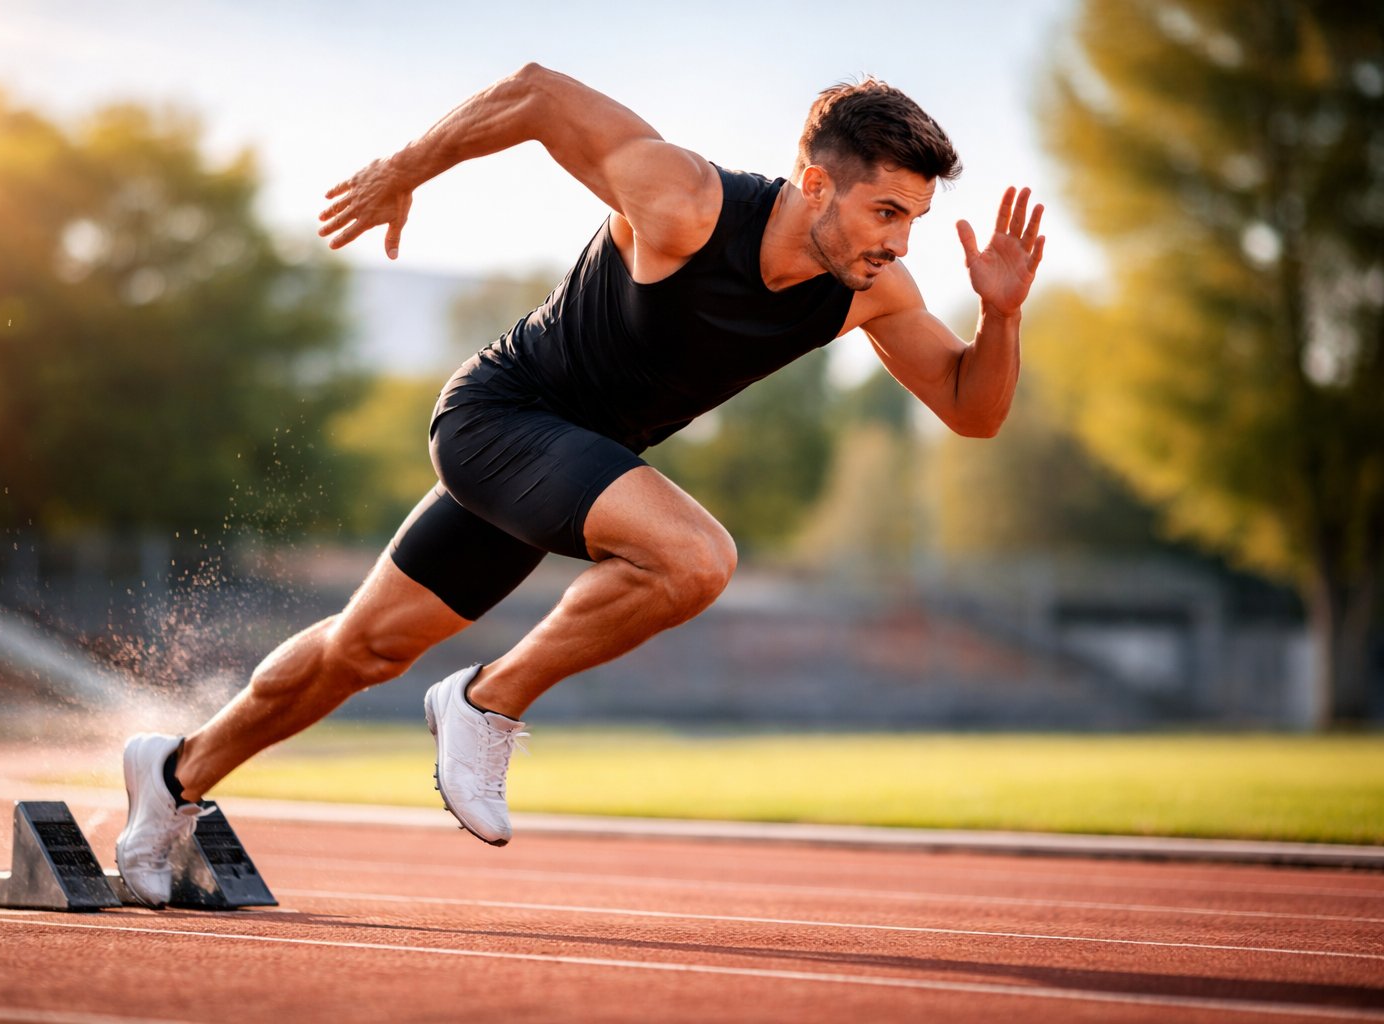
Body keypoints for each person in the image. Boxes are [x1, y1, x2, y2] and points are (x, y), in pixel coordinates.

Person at [114, 63, 1045, 906]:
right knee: (696, 558)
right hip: (498, 420)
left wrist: (1001, 316)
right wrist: (403, 169)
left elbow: (974, 409)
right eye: (887, 212)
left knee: (362, 649)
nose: (903, 244)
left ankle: (173, 777)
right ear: (815, 185)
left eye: (914, 219)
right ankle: (485, 703)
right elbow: (536, 94)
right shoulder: (685, 204)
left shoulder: (866, 292)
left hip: (572, 466)